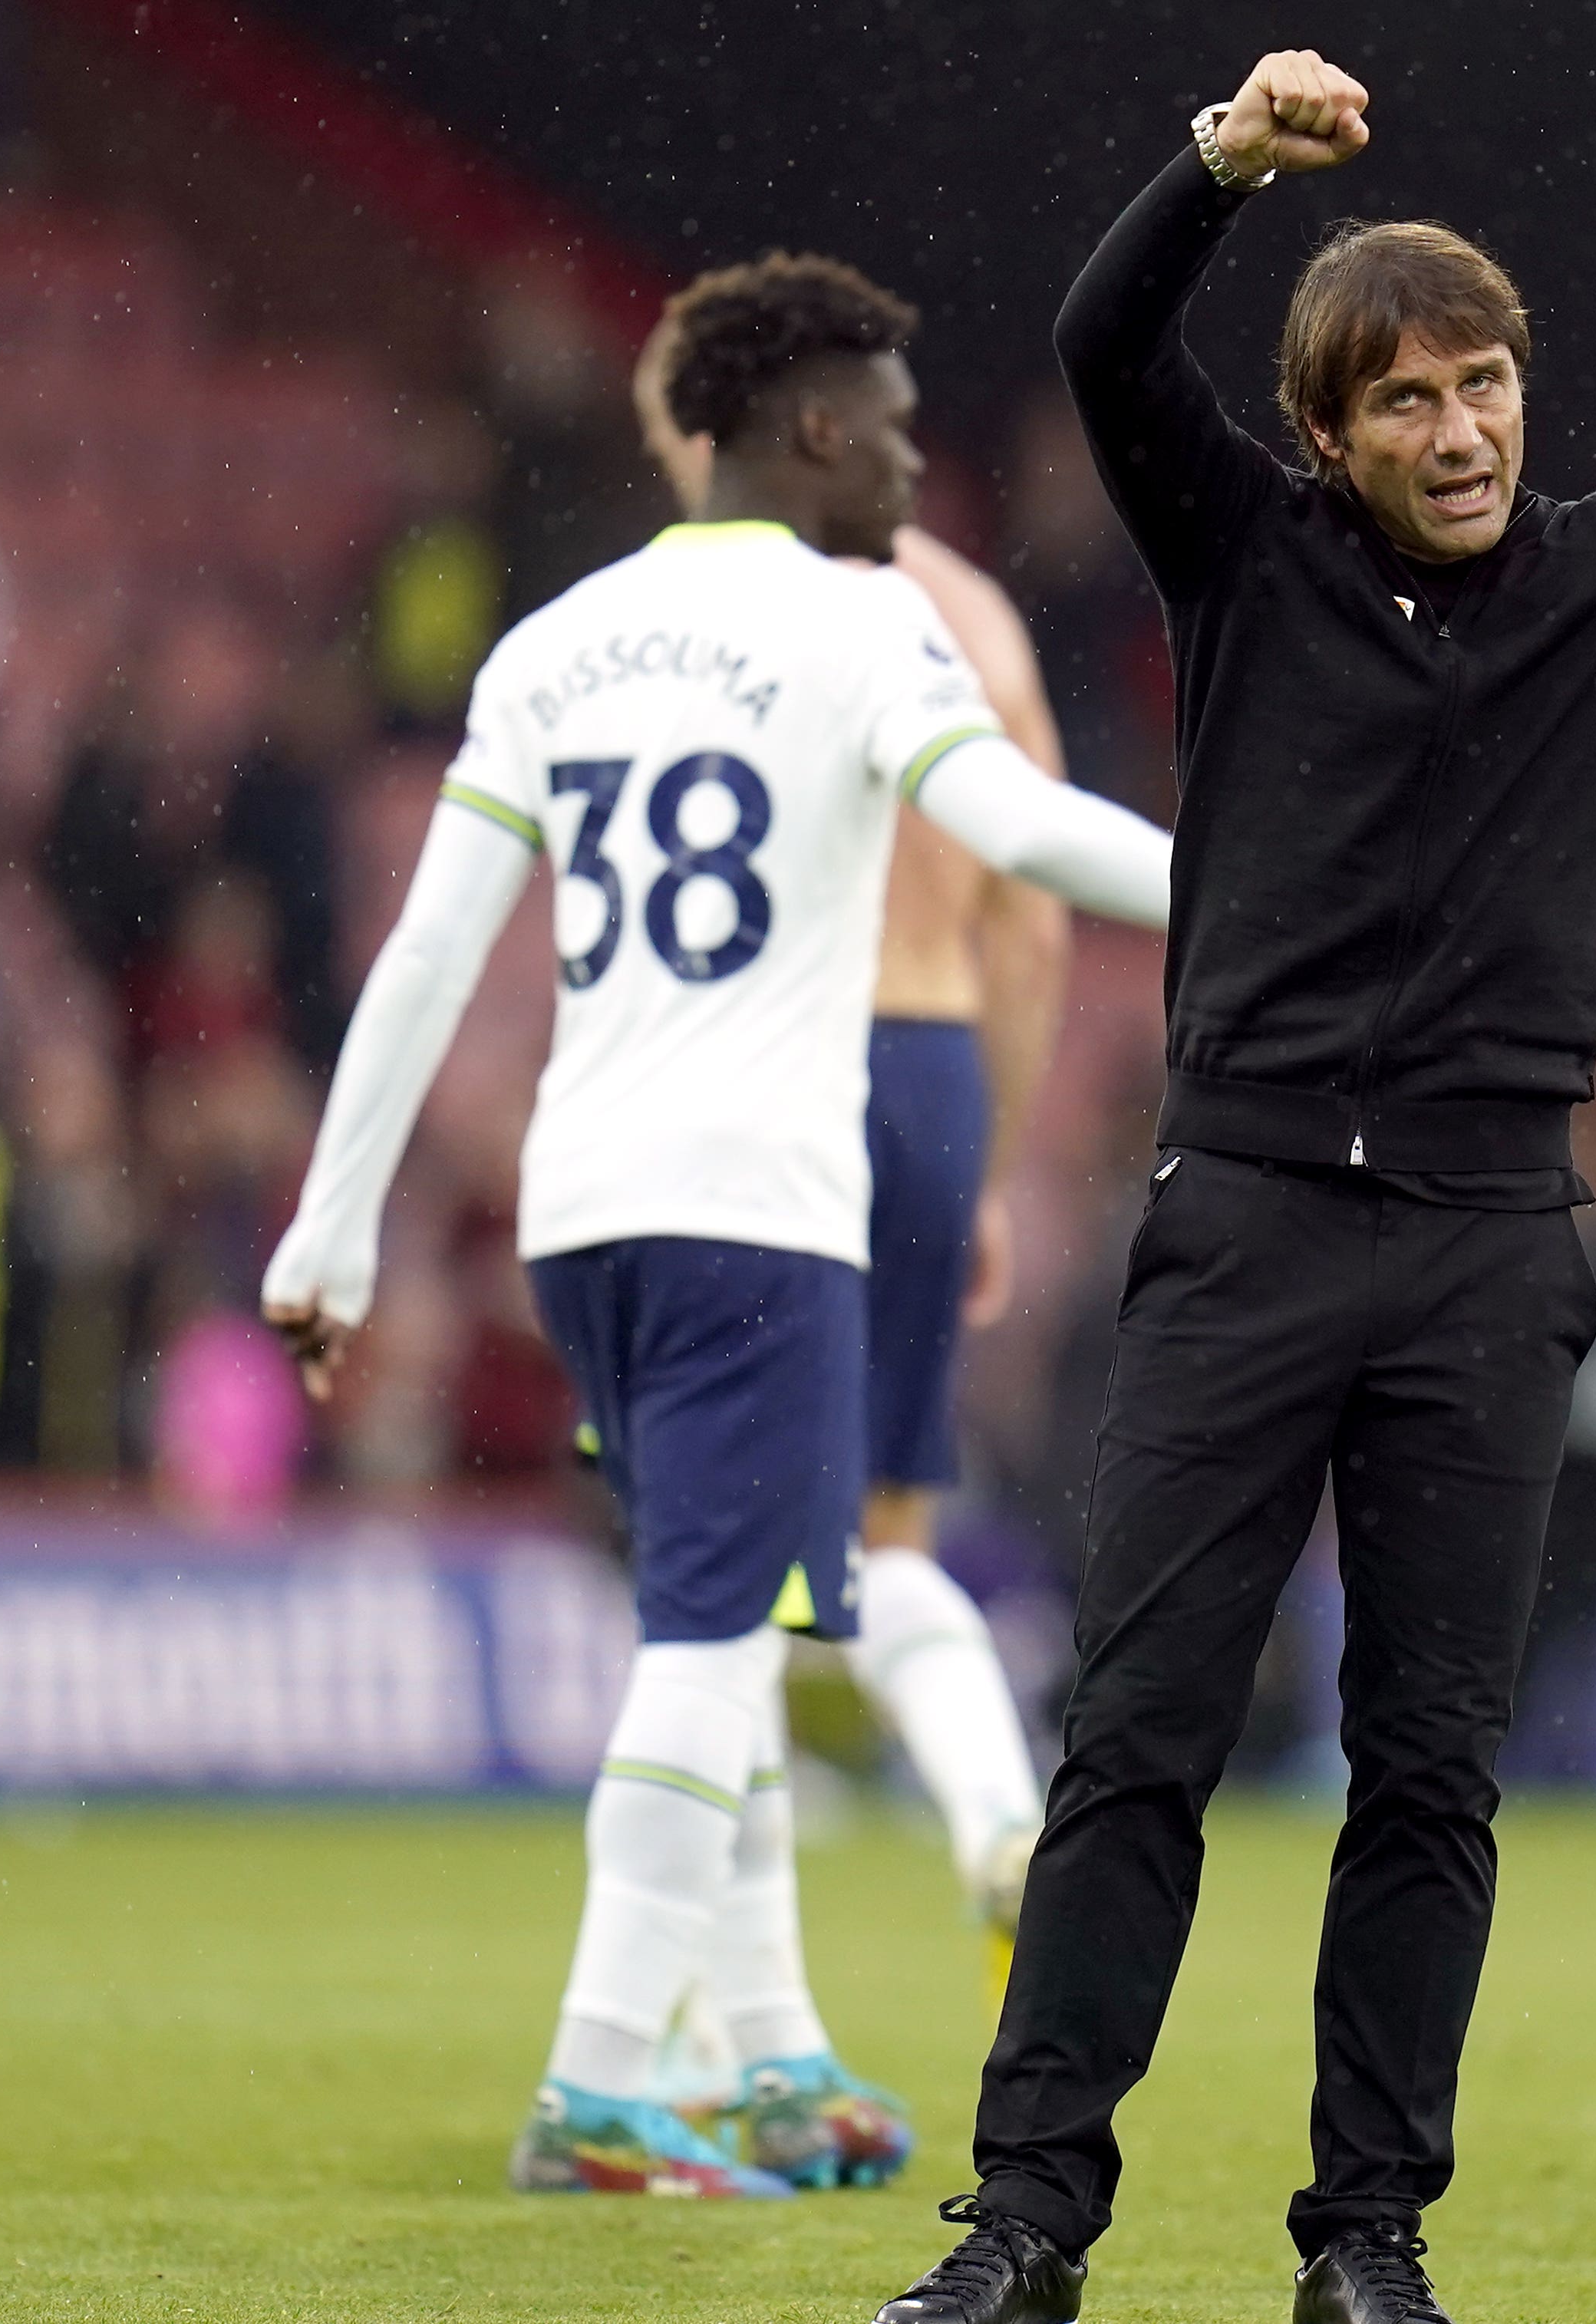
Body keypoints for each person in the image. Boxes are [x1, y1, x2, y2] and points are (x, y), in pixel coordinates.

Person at [873, 51, 1596, 2324]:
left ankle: (1366, 2242)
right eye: (1408, 401)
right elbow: (1104, 348)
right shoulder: (1248, 554)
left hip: (1488, 1247)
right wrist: (1209, 166)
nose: (1463, 431)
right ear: (1330, 436)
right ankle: (1024, 2226)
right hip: (1250, 1218)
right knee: (1139, 1736)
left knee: (1428, 1769)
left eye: (1485, 385)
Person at [257, 252, 1173, 2203]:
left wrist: (329, 1234)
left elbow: (430, 953)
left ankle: (766, 2061)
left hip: (584, 1209)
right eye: (897, 424)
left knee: (740, 1620)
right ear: (813, 428)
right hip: (760, 1203)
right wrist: (1267, 899)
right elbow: (1018, 836)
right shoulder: (861, 632)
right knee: (706, 1638)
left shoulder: (554, 642)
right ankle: (598, 2086)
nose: (920, 466)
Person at [622, 306, 1067, 2081]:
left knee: (707, 1568)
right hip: (934, 1064)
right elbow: (1030, 919)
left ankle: (728, 2030)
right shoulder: (974, 615)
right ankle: (992, 1814)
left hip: (759, 1071)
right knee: (878, 1543)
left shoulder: (691, 607)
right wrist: (987, 1164)